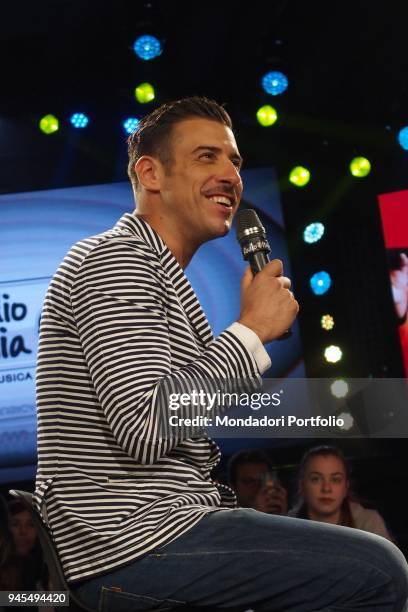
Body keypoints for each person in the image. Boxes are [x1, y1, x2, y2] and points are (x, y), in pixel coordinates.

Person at [34, 96, 408, 611]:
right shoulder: (115, 260)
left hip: (162, 533)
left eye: (234, 161)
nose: (231, 174)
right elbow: (146, 425)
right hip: (132, 545)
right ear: (151, 173)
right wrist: (250, 332)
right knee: (378, 570)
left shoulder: (162, 275)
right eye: (207, 156)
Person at [289, 445, 393, 540]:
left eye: (335, 480)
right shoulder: (286, 525)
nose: (326, 488)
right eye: (316, 479)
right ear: (302, 486)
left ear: (345, 488)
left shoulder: (369, 522)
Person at [228, 449, 288, 515]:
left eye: (263, 480)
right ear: (233, 488)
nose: (258, 487)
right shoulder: (223, 521)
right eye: (249, 481)